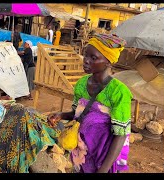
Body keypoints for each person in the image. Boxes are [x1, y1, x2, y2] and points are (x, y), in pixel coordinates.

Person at [47, 34, 132, 173]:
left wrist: (103, 170)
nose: (85, 61)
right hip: (82, 152)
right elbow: (77, 114)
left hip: (104, 156)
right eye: (85, 55)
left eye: (93, 58)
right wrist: (60, 115)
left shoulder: (118, 92)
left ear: (108, 61)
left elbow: (121, 134)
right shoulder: (81, 84)